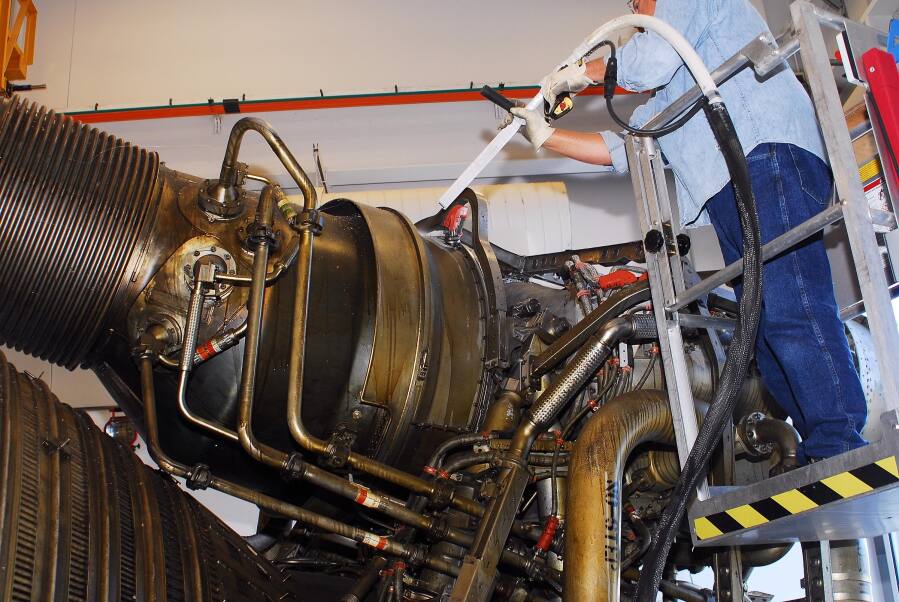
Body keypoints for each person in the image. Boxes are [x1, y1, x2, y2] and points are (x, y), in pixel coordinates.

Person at [509, 0, 867, 461]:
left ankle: (839, 443)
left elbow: (650, 57)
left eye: (637, 3)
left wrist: (584, 71)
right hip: (732, 191)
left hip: (768, 156)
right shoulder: (676, 88)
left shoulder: (691, 11)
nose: (635, 9)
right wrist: (543, 135)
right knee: (764, 334)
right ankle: (820, 446)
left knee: (793, 307)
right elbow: (624, 150)